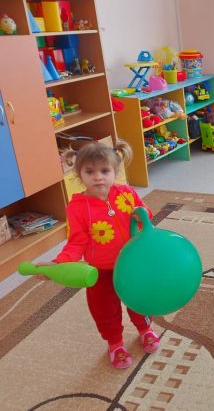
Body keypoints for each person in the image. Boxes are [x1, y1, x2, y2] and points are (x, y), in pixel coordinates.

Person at [39, 140, 160, 369]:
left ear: (115, 171)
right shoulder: (77, 207)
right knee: (105, 310)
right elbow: (76, 242)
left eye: (105, 171)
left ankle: (145, 329)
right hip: (100, 271)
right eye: (90, 171)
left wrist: (142, 214)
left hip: (132, 264)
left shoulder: (126, 193)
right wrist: (59, 264)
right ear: (79, 174)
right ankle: (115, 344)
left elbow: (145, 214)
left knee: (139, 301)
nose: (98, 177)